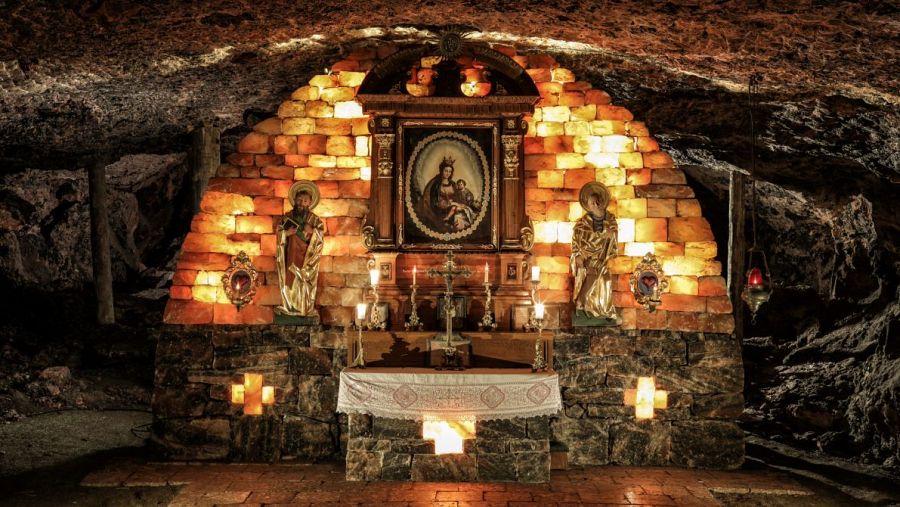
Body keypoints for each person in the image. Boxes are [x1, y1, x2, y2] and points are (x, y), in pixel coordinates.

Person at [276, 181, 325, 316]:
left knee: (303, 279)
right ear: (294, 201)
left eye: (305, 201)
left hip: (306, 257)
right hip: (290, 254)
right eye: (299, 200)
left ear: (309, 203)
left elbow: (320, 236)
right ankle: (290, 306)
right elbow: (279, 232)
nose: (301, 203)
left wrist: (312, 231)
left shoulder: (315, 220)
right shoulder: (287, 217)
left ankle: (304, 307)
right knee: (291, 278)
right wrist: (286, 234)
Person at [570, 182, 618, 321]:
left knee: (605, 281)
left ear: (602, 201)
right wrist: (578, 254)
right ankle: (581, 303)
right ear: (588, 206)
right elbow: (576, 240)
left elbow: (612, 235)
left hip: (603, 256)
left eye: (597, 202)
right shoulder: (582, 223)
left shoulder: (610, 219)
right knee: (591, 274)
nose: (596, 205)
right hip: (588, 257)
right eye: (592, 203)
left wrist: (609, 234)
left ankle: (598, 308)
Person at [417, 155, 474, 232]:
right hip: (440, 207)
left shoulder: (453, 184)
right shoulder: (436, 184)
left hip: (453, 204)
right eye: (446, 171)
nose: (448, 173)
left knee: (465, 209)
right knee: (456, 209)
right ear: (441, 171)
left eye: (450, 171)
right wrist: (451, 203)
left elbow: (458, 195)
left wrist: (461, 202)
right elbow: (434, 202)